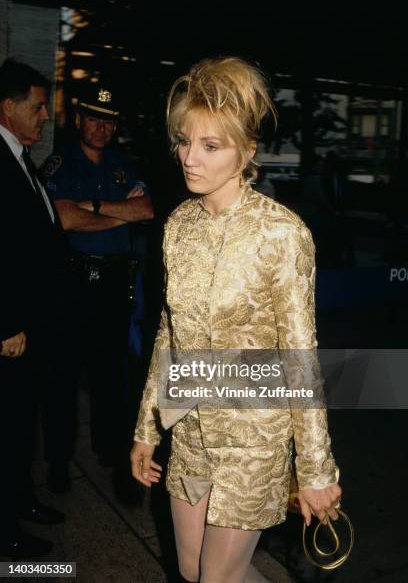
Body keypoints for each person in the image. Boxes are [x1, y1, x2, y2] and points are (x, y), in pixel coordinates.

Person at [130, 57, 342, 583]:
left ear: (247, 151)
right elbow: (168, 333)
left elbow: (300, 358)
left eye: (210, 146)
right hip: (192, 428)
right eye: (184, 140)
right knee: (189, 568)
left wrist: (315, 471)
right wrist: (147, 429)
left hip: (254, 437)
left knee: (217, 578)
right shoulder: (179, 225)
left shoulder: (281, 234)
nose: (189, 158)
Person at [44, 87, 154, 469]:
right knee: (63, 376)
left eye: (108, 120)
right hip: (72, 285)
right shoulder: (61, 163)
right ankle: (58, 461)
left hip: (111, 284)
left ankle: (109, 451)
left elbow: (146, 211)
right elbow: (67, 219)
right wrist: (122, 212)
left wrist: (92, 206)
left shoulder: (123, 164)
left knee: (111, 373)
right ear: (79, 121)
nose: (101, 126)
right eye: (93, 117)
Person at [0, 58, 67, 558]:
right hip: (10, 328)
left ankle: (22, 500)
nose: (45, 116)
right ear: (8, 107)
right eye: (38, 107)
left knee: (24, 421)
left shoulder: (20, 158)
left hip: (34, 322)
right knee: (6, 425)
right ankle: (5, 532)